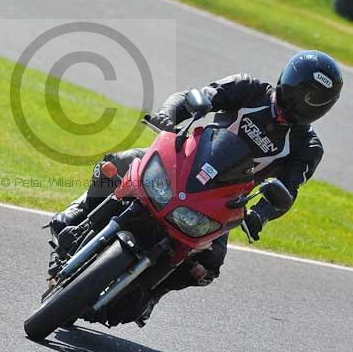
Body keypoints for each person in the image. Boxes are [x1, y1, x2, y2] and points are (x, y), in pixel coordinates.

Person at [47, 50, 343, 326]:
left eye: (314, 99)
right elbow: (193, 98)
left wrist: (259, 215)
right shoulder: (248, 88)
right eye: (303, 91)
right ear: (288, 79)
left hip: (222, 202)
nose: (304, 101)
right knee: (117, 165)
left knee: (208, 265)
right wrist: (168, 116)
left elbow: (288, 191)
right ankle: (76, 215)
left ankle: (151, 293)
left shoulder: (307, 148)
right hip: (181, 163)